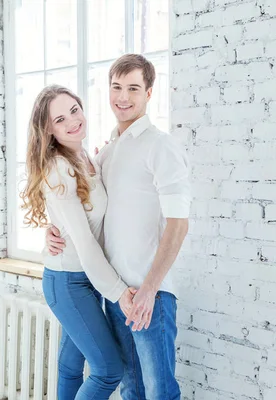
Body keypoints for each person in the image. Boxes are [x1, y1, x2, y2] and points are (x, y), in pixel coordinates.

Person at [46, 54, 191, 400]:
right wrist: (54, 230)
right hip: (116, 295)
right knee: (131, 389)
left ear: (149, 93)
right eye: (116, 87)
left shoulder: (161, 145)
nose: (123, 97)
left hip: (148, 294)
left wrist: (149, 290)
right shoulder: (106, 153)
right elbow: (86, 212)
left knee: (160, 393)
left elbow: (179, 224)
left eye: (133, 88)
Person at [20, 84, 137, 400]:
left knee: (72, 366)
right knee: (108, 370)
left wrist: (53, 225)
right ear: (48, 130)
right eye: (60, 120)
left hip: (85, 278)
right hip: (68, 282)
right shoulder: (60, 168)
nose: (73, 121)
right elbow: (84, 242)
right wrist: (119, 293)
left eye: (74, 110)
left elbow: (81, 219)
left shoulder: (85, 156)